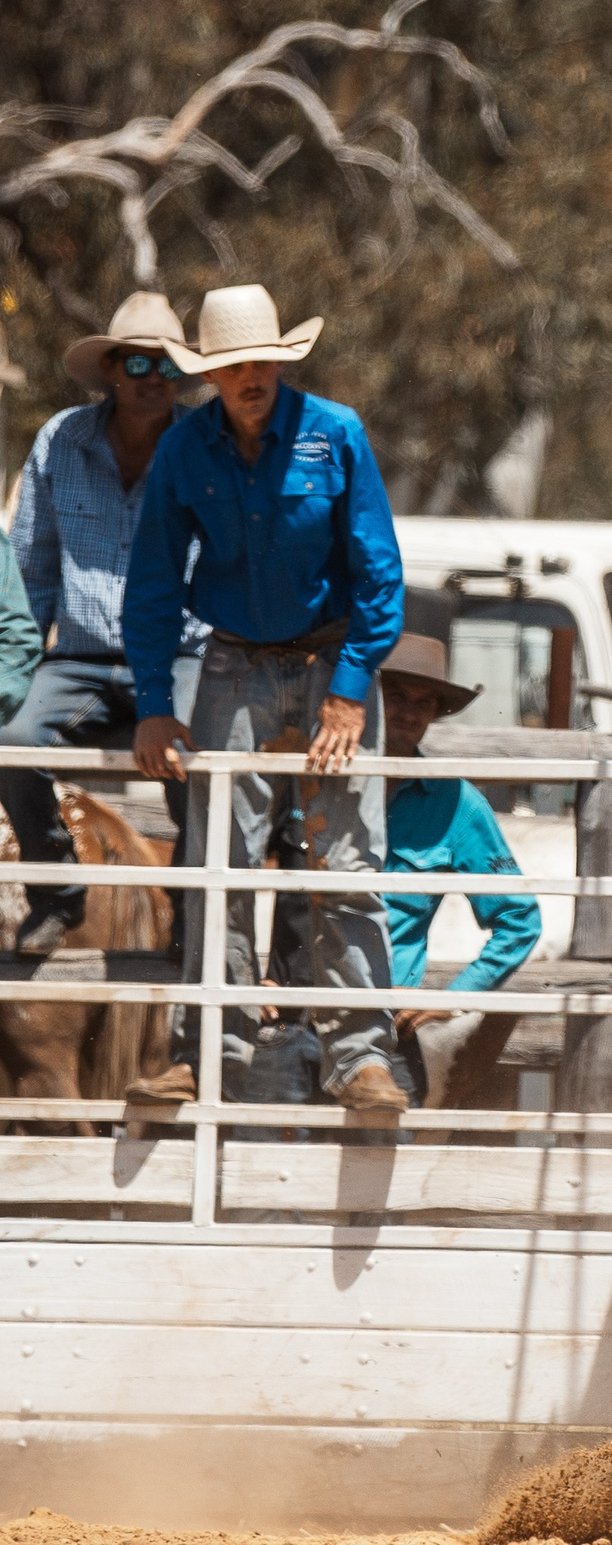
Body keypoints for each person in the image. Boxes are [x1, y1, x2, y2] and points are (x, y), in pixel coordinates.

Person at [121, 284, 408, 1119]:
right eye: (231, 365)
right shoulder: (185, 450)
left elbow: (379, 574)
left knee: (347, 865)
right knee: (219, 867)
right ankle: (205, 1052)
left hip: (331, 659)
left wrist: (350, 692)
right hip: (234, 665)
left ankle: (361, 1061)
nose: (248, 377)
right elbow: (152, 584)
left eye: (260, 362)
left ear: (280, 365)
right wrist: (152, 700)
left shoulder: (335, 433)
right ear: (210, 375)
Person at [0, 292, 193, 955]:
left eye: (167, 365)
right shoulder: (63, 439)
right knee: (15, 740)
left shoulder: (202, 445)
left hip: (174, 657)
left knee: (199, 753)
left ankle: (191, 910)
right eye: (138, 366)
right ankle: (57, 890)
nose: (155, 380)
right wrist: (18, 672)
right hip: (80, 658)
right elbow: (33, 569)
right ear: (112, 370)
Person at [377, 631, 541, 1107]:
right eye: (396, 696)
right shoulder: (317, 782)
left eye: (424, 703)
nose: (409, 713)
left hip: (384, 1026)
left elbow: (519, 918)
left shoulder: (455, 804)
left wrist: (449, 998)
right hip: (299, 1014)